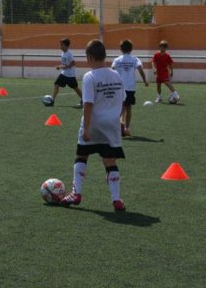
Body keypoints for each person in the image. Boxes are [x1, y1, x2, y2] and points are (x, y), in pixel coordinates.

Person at [59, 39, 126, 212]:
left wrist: (86, 129)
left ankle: (76, 194)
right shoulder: (116, 75)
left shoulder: (90, 76)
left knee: (81, 156)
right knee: (110, 161)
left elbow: (88, 104)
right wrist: (119, 121)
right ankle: (116, 199)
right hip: (111, 125)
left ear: (89, 57)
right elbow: (122, 101)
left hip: (94, 124)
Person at [111, 39, 148, 136]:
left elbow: (112, 71)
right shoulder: (135, 59)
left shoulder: (117, 60)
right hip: (130, 88)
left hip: (119, 88)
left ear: (120, 49)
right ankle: (126, 128)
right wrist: (144, 80)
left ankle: (114, 127)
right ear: (131, 49)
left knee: (119, 108)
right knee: (128, 108)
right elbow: (140, 69)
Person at [47, 38, 83, 108]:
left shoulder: (69, 54)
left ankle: (84, 99)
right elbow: (64, 64)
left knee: (75, 88)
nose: (60, 46)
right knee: (56, 84)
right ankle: (52, 101)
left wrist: (63, 67)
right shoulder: (62, 53)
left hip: (70, 75)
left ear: (66, 46)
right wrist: (60, 66)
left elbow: (73, 63)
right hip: (64, 74)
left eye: (61, 44)